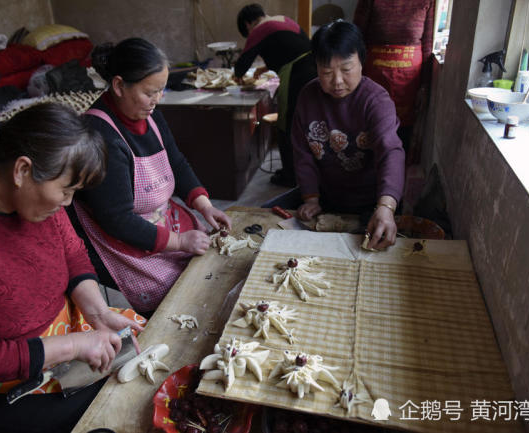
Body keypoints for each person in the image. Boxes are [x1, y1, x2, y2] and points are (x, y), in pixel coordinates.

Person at [0, 103, 144, 433]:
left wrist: (98, 314)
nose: (67, 203)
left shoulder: (34, 197)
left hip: (59, 332)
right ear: (21, 170)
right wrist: (74, 346)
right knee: (114, 414)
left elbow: (73, 254)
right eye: (66, 190)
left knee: (145, 360)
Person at [71, 38, 231, 315]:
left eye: (161, 90)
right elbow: (118, 221)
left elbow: (177, 163)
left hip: (157, 217)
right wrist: (179, 242)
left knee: (211, 264)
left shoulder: (150, 114)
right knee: (180, 299)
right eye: (150, 92)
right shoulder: (99, 135)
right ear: (119, 85)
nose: (157, 100)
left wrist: (205, 205)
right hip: (122, 238)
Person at [291, 21, 405, 250]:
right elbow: (302, 152)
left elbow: (390, 151)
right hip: (327, 202)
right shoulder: (308, 97)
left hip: (373, 204)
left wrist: (386, 206)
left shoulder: (376, 101)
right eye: (326, 72)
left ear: (362, 61)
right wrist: (311, 198)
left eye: (346, 69)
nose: (337, 81)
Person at [234, 3, 317, 187]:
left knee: (286, 124)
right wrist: (265, 67)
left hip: (297, 75)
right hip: (312, 70)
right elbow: (288, 49)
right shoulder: (282, 19)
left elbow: (241, 66)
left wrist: (236, 76)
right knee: (302, 122)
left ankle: (290, 176)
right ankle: (298, 170)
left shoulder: (258, 29)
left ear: (248, 24)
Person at [354, 0, 435, 154]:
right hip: (374, 78)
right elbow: (356, 37)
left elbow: (427, 44)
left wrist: (425, 84)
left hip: (409, 84)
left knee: (401, 137)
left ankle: (395, 175)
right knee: (370, 130)